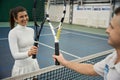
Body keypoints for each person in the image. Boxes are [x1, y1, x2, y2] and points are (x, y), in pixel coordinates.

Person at [53, 6, 120, 80]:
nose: (107, 30)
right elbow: (91, 69)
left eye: (112, 27)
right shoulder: (112, 58)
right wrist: (64, 62)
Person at [8, 6, 40, 76]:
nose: (25, 18)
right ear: (16, 19)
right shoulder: (13, 33)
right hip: (21, 68)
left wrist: (35, 47)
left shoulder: (31, 30)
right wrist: (29, 53)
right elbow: (15, 55)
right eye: (21, 17)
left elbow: (30, 45)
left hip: (33, 64)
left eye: (26, 15)